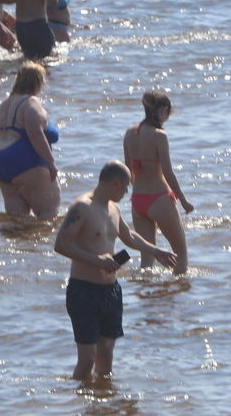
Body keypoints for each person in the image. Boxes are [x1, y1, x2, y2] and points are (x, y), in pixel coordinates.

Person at [53, 161, 177, 383]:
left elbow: (129, 237)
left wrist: (155, 250)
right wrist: (97, 261)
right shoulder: (82, 207)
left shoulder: (113, 208)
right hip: (84, 291)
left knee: (107, 356)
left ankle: (104, 402)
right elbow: (61, 245)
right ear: (114, 183)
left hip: (111, 291)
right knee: (87, 359)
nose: (127, 192)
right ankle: (77, 402)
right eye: (125, 187)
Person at [122, 91, 194, 274]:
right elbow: (168, 173)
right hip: (159, 199)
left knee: (147, 259)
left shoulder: (130, 133)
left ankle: (147, 297)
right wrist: (183, 200)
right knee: (181, 253)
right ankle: (180, 292)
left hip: (137, 200)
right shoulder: (159, 136)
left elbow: (127, 170)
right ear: (163, 110)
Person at [0, 61, 61, 217]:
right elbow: (35, 134)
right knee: (48, 216)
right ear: (37, 82)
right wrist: (51, 162)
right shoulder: (31, 103)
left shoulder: (3, 105)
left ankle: (17, 241)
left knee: (17, 220)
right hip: (23, 158)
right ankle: (44, 242)